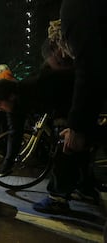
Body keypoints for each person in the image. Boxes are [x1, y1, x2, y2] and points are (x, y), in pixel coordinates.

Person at [33, 0, 107, 213]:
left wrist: (77, 126)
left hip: (82, 111)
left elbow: (91, 71)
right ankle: (83, 187)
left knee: (70, 143)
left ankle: (59, 197)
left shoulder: (78, 8)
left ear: (59, 48)